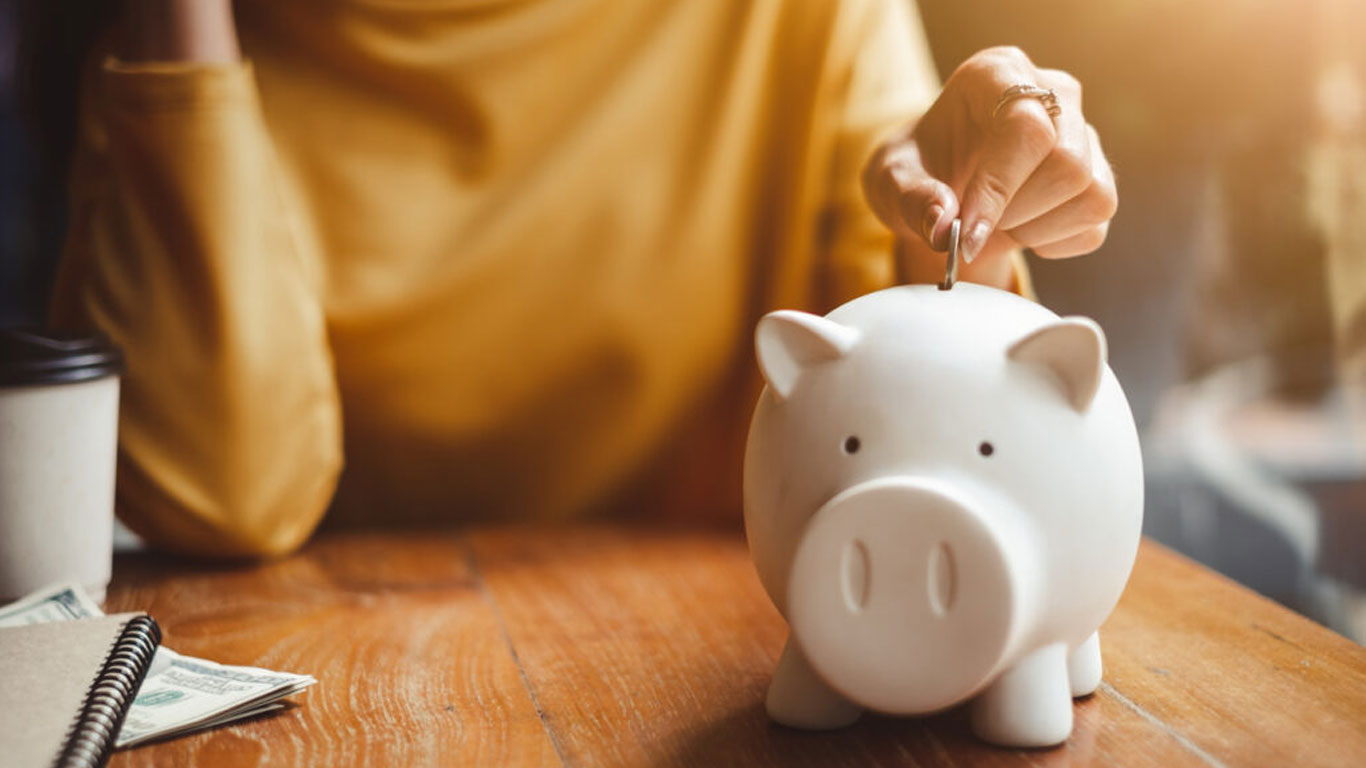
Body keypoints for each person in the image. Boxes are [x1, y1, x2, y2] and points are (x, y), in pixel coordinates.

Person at [33, 0, 1116, 557]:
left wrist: (966, 211)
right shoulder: (193, 58)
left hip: (723, 664)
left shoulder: (788, 17)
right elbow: (217, 496)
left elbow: (934, 439)